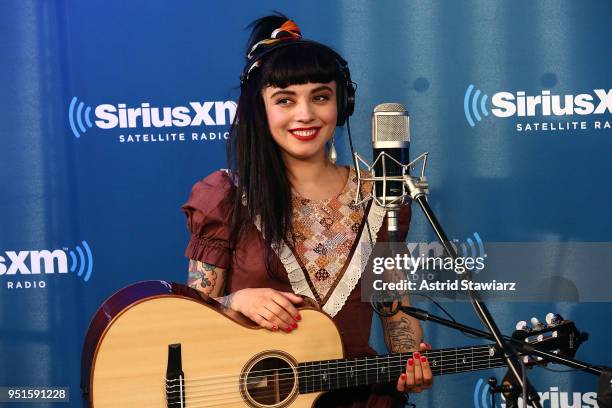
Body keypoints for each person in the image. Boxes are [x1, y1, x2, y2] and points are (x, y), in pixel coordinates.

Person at [182, 14, 432, 407]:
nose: (305, 114)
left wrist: (410, 360)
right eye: (285, 100)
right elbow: (191, 316)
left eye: (320, 96)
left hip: (361, 398)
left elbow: (395, 309)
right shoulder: (226, 196)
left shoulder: (382, 196)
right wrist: (236, 302)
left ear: (341, 103)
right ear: (260, 109)